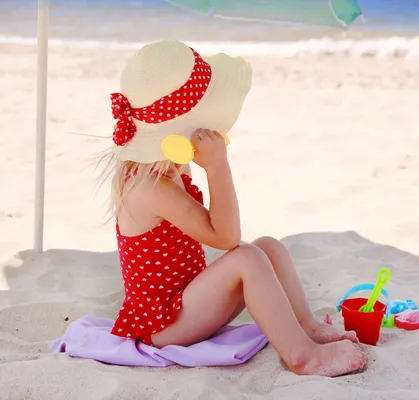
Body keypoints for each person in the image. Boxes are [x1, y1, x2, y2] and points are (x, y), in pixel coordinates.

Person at [101, 39, 366, 377]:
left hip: (184, 302)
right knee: (247, 257)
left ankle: (305, 326)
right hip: (163, 324)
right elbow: (226, 237)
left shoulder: (164, 166)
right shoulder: (151, 185)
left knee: (268, 247)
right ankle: (302, 356)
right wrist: (216, 167)